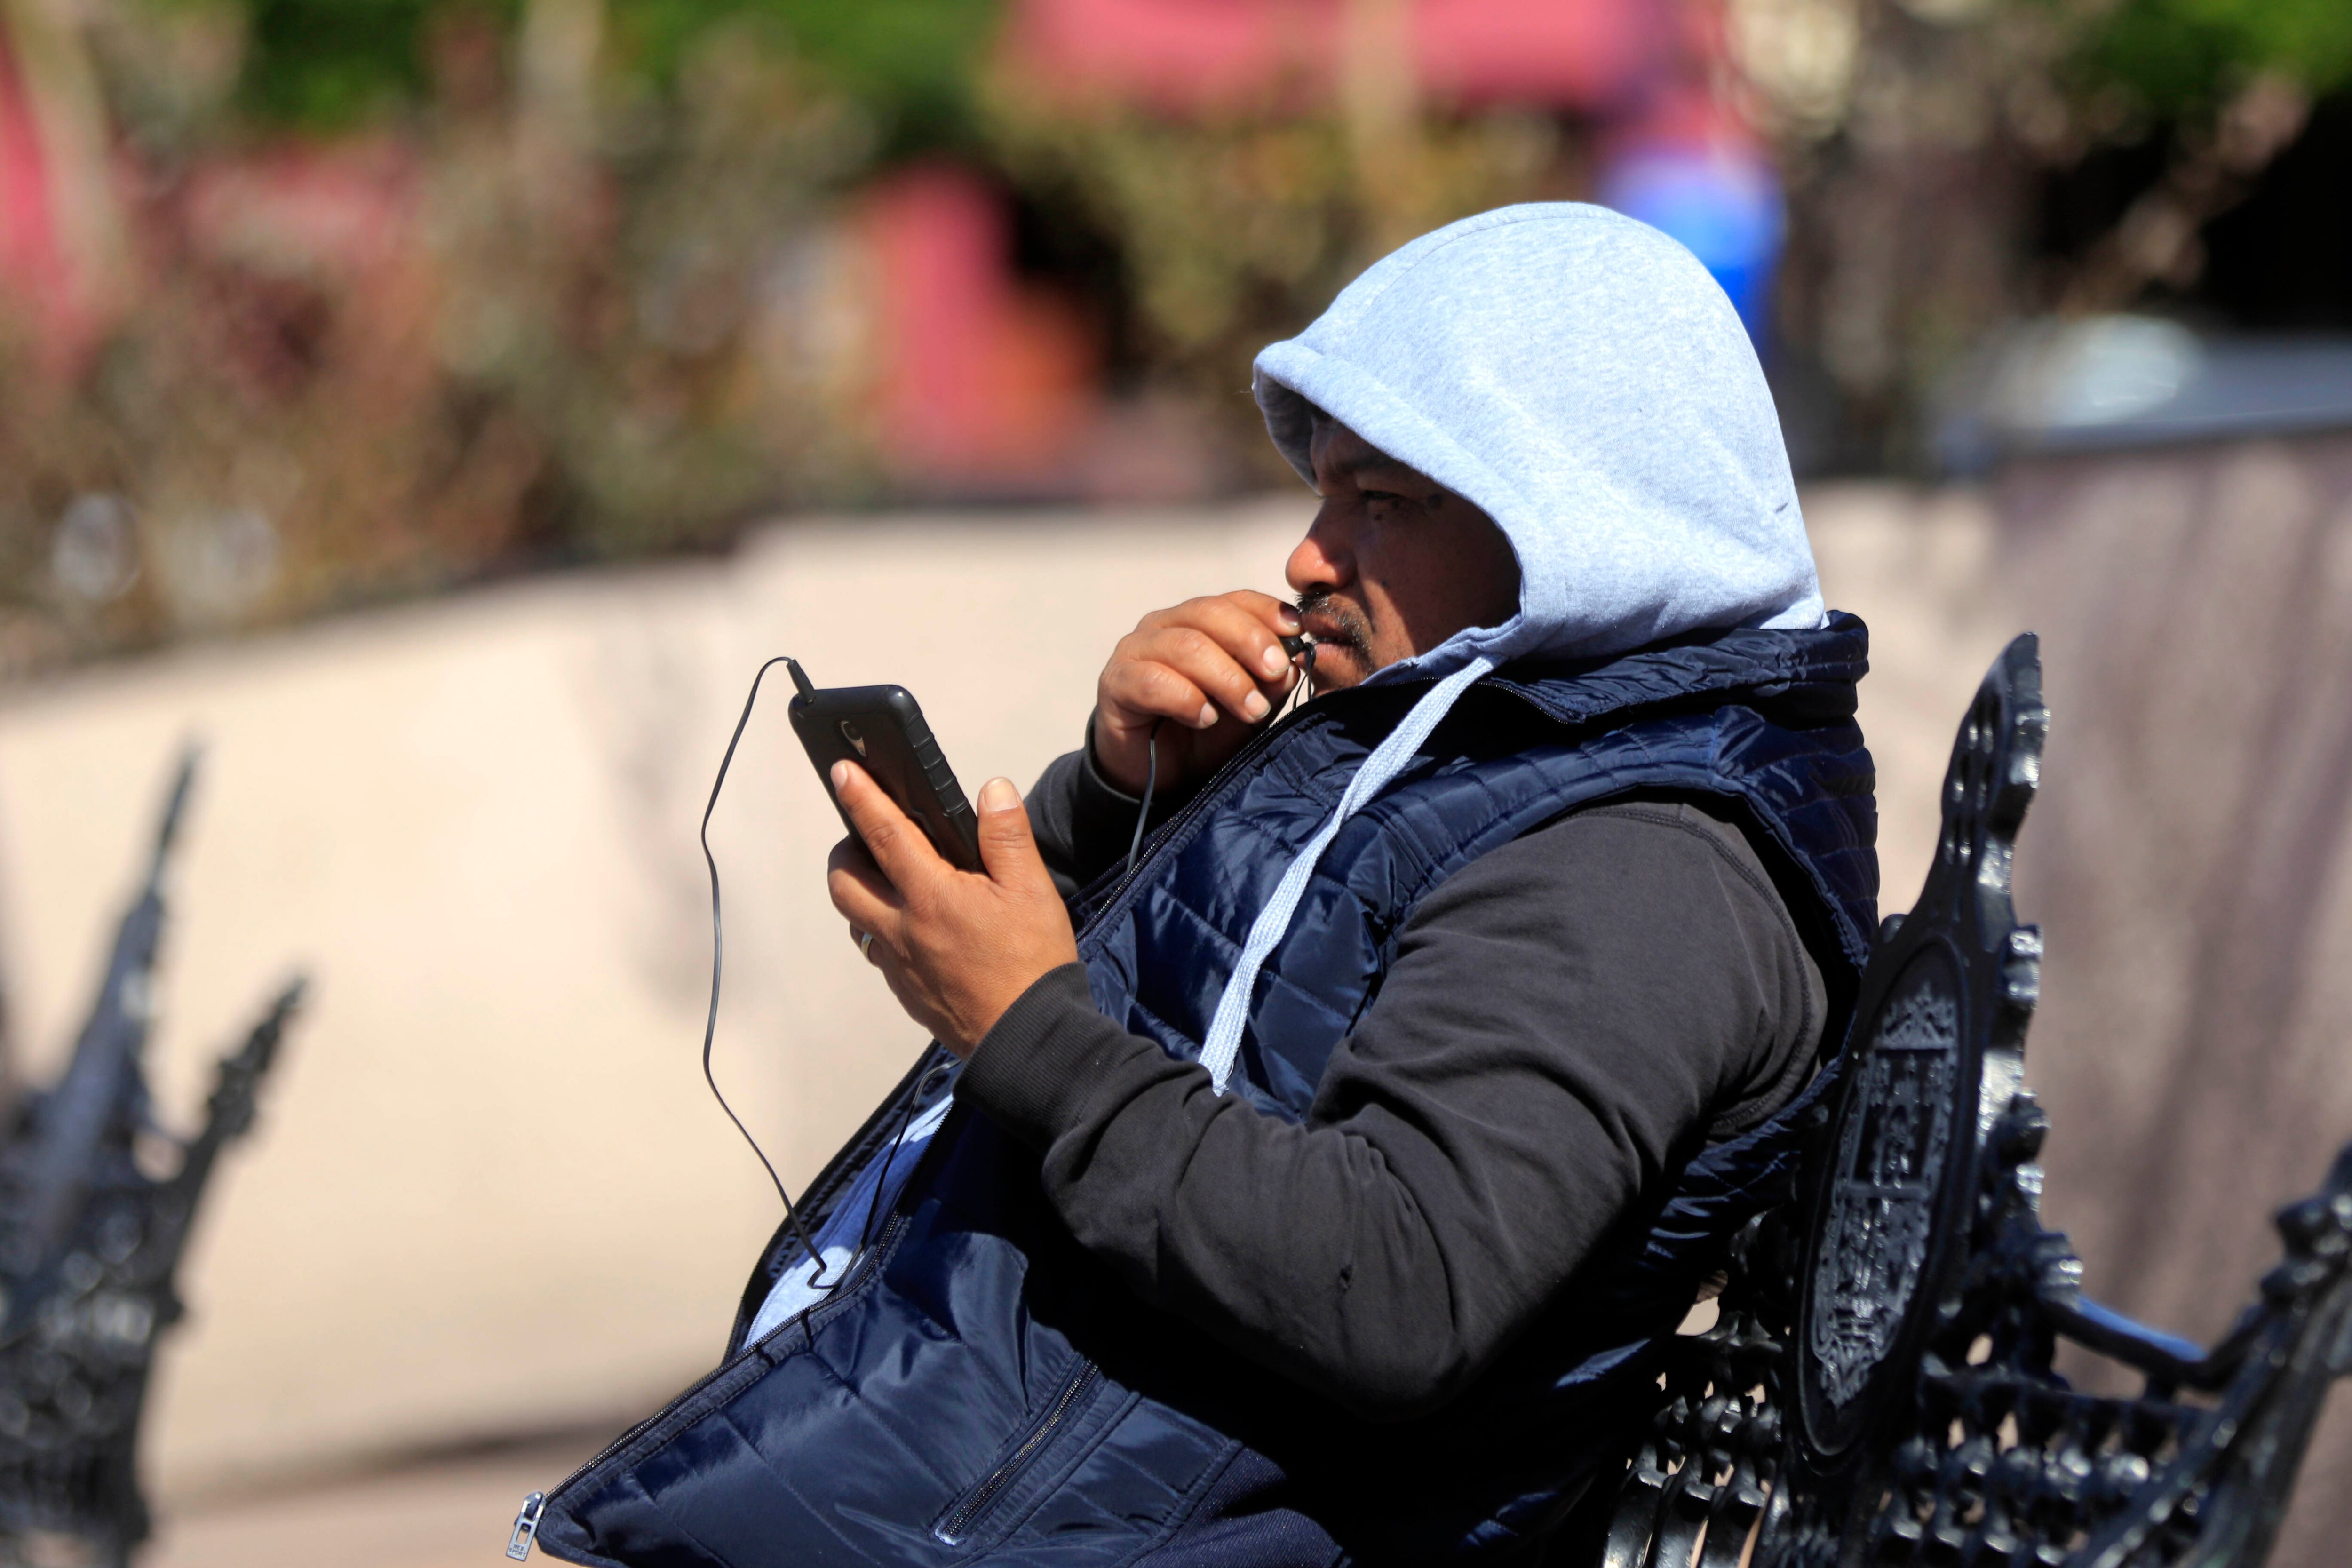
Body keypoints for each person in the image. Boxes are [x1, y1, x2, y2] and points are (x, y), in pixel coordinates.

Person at [530, 204, 1877, 1568]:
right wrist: (1132, 793)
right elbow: (1206, 1011)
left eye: (1383, 501)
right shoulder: (1484, 748)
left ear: (1575, 513)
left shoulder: (1645, 863)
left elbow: (1399, 1283)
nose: (1309, 554)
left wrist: (1024, 1032)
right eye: (1322, 490)